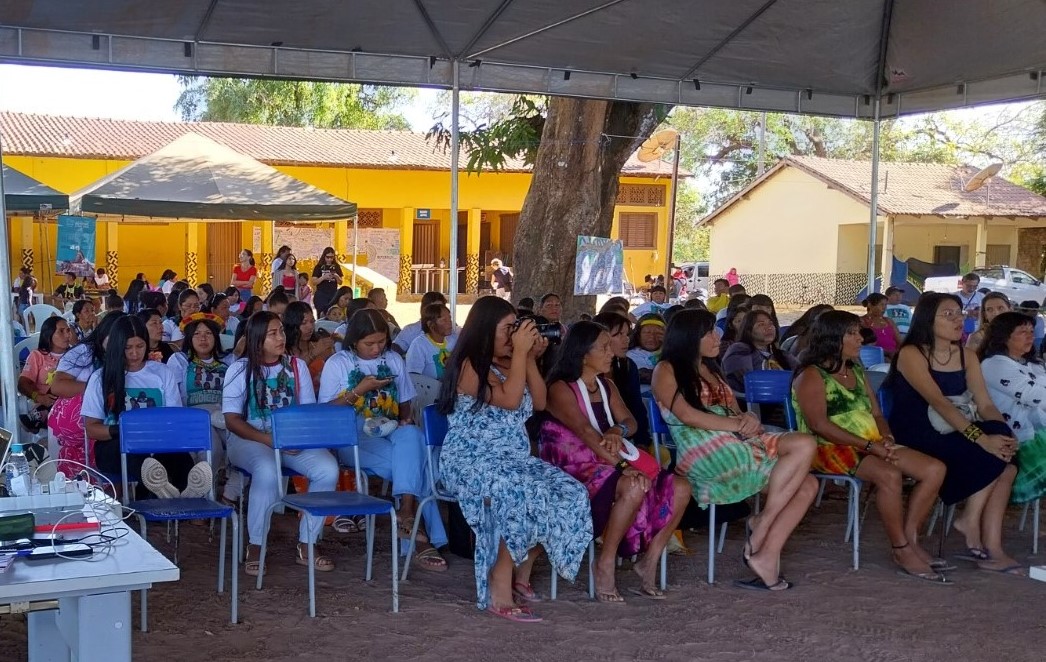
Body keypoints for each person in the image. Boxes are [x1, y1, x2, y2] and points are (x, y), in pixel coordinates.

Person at [436, 297, 590, 621]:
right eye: (508, 330)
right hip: (471, 459)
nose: (513, 336)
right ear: (484, 330)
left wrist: (530, 357)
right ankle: (499, 583)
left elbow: (539, 402)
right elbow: (508, 400)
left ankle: (521, 569)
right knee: (519, 494)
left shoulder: (511, 362)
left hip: (510, 460)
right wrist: (521, 353)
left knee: (567, 493)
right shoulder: (467, 364)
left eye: (515, 328)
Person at [652, 309, 817, 591]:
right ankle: (763, 533)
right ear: (689, 337)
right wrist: (735, 424)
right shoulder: (665, 369)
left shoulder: (711, 367)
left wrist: (748, 418)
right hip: (703, 450)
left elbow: (734, 410)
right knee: (807, 480)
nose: (717, 336)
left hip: (735, 439)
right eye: (709, 333)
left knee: (807, 460)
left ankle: (765, 544)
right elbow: (687, 416)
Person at [793, 310, 949, 582]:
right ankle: (900, 549)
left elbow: (877, 414)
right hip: (827, 447)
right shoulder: (811, 375)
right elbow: (818, 425)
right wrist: (869, 445)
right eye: (852, 334)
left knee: (935, 469)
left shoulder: (855, 369)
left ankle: (910, 538)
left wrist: (885, 438)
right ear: (832, 339)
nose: (860, 339)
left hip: (869, 443)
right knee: (889, 474)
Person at [541, 321, 691, 602]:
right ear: (583, 353)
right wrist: (625, 467)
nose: (612, 351)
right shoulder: (561, 388)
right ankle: (605, 561)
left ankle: (650, 559)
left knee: (681, 488)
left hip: (609, 459)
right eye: (604, 346)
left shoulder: (606, 385)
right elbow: (586, 433)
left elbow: (630, 421)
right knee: (633, 485)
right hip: (576, 467)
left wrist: (617, 430)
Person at [888, 292, 1023, 574]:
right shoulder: (911, 353)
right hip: (919, 430)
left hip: (956, 427)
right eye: (948, 314)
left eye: (960, 313)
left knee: (1007, 461)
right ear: (928, 319)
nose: (958, 319)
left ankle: (990, 544)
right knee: (993, 454)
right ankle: (913, 539)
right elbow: (938, 401)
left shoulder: (967, 355)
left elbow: (985, 404)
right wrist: (982, 440)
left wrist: (1004, 435)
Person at [318, 309, 449, 571]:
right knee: (417, 467)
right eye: (369, 343)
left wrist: (404, 420)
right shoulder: (338, 363)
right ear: (354, 340)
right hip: (352, 436)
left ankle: (408, 518)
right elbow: (327, 414)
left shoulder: (393, 360)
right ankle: (416, 528)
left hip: (390, 429)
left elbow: (405, 405)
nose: (377, 348)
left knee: (412, 433)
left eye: (381, 342)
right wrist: (359, 391)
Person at [222, 311, 339, 576]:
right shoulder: (240, 369)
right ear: (257, 338)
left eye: (282, 332)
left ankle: (307, 542)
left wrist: (294, 439)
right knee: (266, 469)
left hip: (289, 440)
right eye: (272, 333)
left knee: (327, 469)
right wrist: (269, 440)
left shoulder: (296, 367)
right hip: (249, 439)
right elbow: (231, 420)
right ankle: (256, 543)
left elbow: (306, 412)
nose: (280, 338)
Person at [82, 315, 205, 499]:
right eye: (128, 348)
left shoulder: (161, 372)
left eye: (140, 346)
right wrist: (123, 429)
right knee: (138, 457)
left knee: (179, 457)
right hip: (116, 443)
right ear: (117, 347)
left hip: (157, 442)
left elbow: (173, 418)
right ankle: (155, 487)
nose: (134, 353)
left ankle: (186, 493)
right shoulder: (101, 377)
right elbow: (92, 428)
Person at [979, 312, 1046, 505]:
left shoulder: (1033, 364)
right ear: (1004, 336)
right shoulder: (994, 365)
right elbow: (1036, 396)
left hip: (1037, 436)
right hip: (1018, 444)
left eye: (1032, 331)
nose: (1030, 336)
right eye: (1022, 332)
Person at [166, 313, 234, 497]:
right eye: (197, 334)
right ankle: (203, 496)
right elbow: (175, 399)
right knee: (212, 448)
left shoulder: (229, 361)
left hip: (224, 417)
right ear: (189, 338)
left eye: (208, 333)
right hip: (193, 419)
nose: (203, 338)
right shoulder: (179, 361)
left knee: (241, 443)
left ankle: (231, 492)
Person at [592, 312, 652, 454]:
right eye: (619, 334)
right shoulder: (585, 373)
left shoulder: (628, 366)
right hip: (595, 444)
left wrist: (642, 442)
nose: (626, 340)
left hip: (624, 441)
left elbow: (636, 408)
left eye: (627, 334)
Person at [18, 316, 73, 435]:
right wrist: (39, 397)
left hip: (69, 403)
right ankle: (42, 415)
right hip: (45, 401)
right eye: (61, 331)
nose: (68, 335)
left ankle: (41, 417)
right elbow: (23, 383)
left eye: (68, 330)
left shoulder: (75, 355)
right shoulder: (37, 356)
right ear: (49, 334)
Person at [722, 309, 796, 394]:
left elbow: (802, 374)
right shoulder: (739, 349)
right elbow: (748, 380)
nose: (769, 328)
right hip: (757, 404)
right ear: (748, 330)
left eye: (771, 323)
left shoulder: (781, 354)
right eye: (761, 324)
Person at [283, 301, 334, 391]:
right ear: (292, 325)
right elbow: (290, 377)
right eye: (304, 323)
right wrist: (313, 354)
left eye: (312, 322)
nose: (310, 327)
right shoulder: (283, 351)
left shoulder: (321, 346)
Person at [405, 302, 456, 380]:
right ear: (430, 324)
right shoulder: (419, 345)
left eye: (449, 318)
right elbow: (413, 377)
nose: (449, 322)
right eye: (444, 320)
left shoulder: (453, 339)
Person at [860, 293, 903, 361]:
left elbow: (899, 341)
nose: (884, 308)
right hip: (873, 356)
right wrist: (886, 352)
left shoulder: (889, 321)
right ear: (870, 305)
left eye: (885, 305)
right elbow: (864, 344)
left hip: (893, 356)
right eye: (881, 304)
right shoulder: (862, 321)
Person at [626, 314, 665, 386]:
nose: (652, 337)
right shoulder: (629, 355)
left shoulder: (670, 354)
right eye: (647, 333)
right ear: (638, 334)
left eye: (658, 333)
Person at [310, 247, 343, 315]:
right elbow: (314, 282)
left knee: (332, 313)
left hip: (333, 294)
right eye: (328, 257)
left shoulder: (336, 266)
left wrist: (336, 275)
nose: (330, 259)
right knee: (321, 314)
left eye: (332, 257)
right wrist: (324, 277)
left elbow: (340, 282)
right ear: (324, 256)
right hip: (321, 294)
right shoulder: (318, 267)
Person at [955, 272, 985, 338]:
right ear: (962, 283)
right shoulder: (954, 297)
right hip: (959, 329)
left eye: (975, 286)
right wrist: (966, 313)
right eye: (968, 286)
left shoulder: (982, 297)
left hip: (977, 330)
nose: (971, 289)